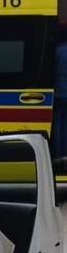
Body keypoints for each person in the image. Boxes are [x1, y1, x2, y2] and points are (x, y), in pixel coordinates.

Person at [54, 27, 67, 170]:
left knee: (57, 125)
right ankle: (65, 155)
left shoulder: (57, 51)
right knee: (66, 125)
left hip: (58, 93)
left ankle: (57, 156)